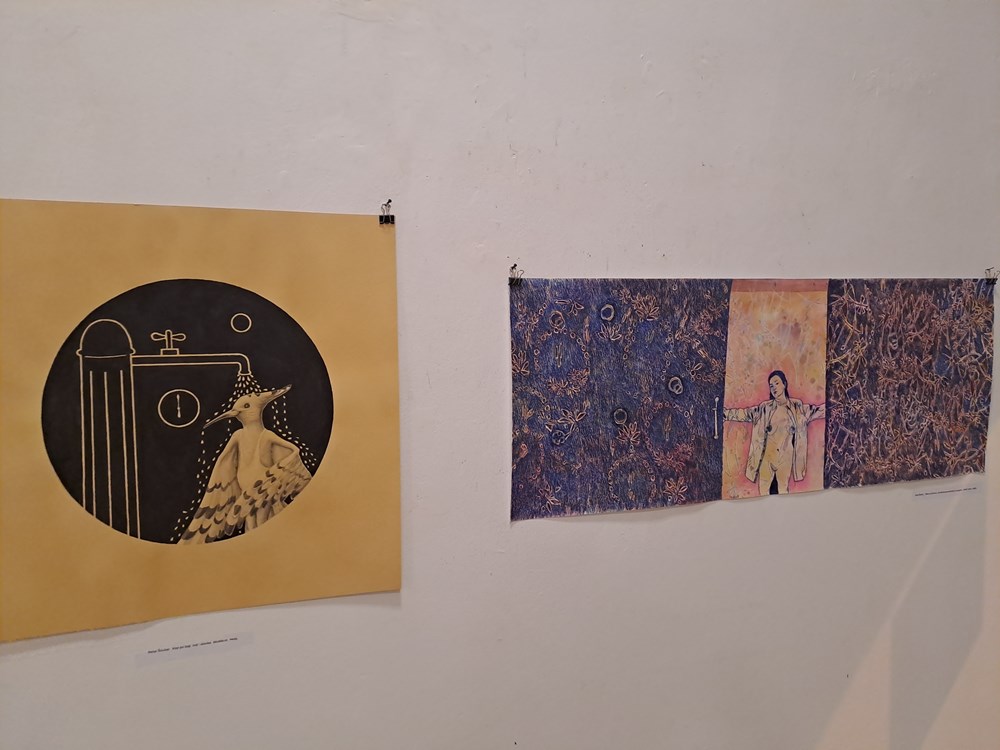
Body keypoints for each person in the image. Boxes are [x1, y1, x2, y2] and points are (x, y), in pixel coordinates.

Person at [724, 370, 825, 495]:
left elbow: (819, 410)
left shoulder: (797, 407)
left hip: (786, 459)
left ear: (784, 384)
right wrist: (725, 414)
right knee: (763, 494)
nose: (774, 388)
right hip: (767, 459)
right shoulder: (764, 408)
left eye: (777, 383)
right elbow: (745, 413)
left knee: (783, 492)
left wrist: (837, 405)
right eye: (771, 386)